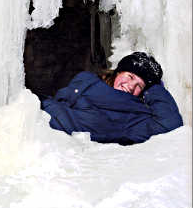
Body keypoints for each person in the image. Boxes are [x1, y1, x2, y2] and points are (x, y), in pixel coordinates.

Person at [40, 52, 183, 145]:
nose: (131, 86)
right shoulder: (86, 81)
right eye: (130, 76)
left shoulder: (135, 115)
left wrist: (155, 86)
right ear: (118, 72)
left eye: (139, 85)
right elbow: (60, 102)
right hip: (45, 126)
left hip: (69, 139)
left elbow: (170, 124)